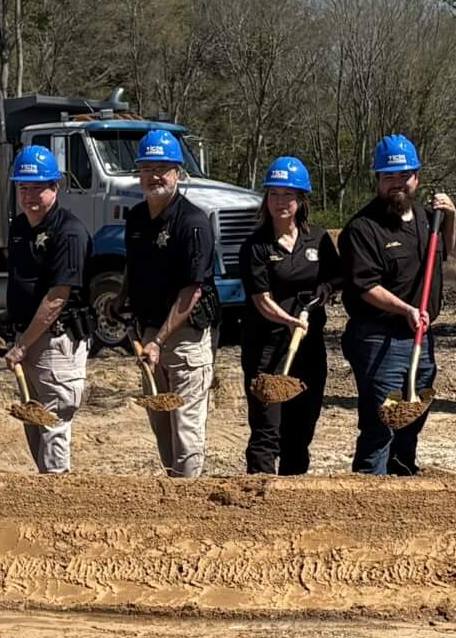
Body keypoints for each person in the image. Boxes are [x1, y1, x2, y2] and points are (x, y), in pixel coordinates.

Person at [340, 134, 456, 475]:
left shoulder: (425, 217)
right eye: (388, 176)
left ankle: (402, 485)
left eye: (403, 175)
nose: (397, 183)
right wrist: (405, 309)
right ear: (377, 180)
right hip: (380, 338)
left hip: (421, 337)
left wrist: (451, 217)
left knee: (412, 420)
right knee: (382, 424)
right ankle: (368, 491)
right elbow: (365, 287)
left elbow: (442, 254)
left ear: (416, 178)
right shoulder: (363, 229)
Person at [125, 129, 218, 477]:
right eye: (148, 168)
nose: (155, 176)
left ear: (178, 173)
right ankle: (173, 493)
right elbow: (133, 266)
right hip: (150, 333)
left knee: (186, 428)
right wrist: (120, 299)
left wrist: (159, 341)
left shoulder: (192, 223)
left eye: (163, 168)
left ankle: (189, 503)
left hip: (184, 339)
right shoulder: (136, 218)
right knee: (161, 424)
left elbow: (191, 292)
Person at [239, 156, 335, 476]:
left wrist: (326, 286)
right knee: (268, 429)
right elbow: (261, 299)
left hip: (308, 349)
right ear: (266, 199)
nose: (281, 202)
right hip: (266, 349)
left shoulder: (318, 239)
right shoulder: (255, 245)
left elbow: (336, 277)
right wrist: (290, 321)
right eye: (274, 194)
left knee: (300, 431)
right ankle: (259, 497)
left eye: (288, 195)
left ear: (301, 199)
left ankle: (293, 499)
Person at [3, 144, 91, 473]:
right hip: (28, 340)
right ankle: (46, 500)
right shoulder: (20, 227)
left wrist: (23, 344)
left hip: (56, 343)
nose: (29, 196)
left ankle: (58, 507)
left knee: (53, 425)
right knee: (35, 427)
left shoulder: (69, 232)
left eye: (38, 188)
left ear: (55, 187)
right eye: (23, 188)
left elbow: (57, 297)